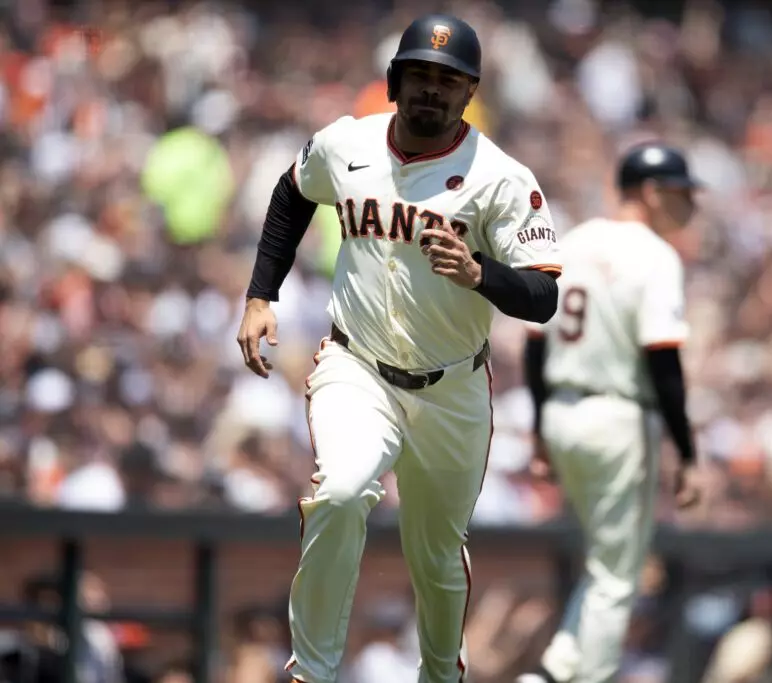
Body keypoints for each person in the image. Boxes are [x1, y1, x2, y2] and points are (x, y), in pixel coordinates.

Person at [234, 13, 562, 683]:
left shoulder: (499, 177)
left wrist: (480, 274)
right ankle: (315, 670)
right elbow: (293, 193)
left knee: (437, 559)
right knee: (344, 490)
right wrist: (261, 293)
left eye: (448, 81)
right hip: (357, 365)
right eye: (419, 76)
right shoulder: (346, 144)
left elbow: (543, 295)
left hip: (451, 388)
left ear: (469, 93)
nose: (431, 92)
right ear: (394, 81)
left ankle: (442, 674)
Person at [517, 143, 703, 683]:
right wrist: (688, 453)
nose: (690, 203)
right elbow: (663, 362)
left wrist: (538, 427)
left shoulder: (573, 241)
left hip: (561, 411)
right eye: (681, 192)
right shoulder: (656, 255)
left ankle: (551, 673)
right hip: (618, 419)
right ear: (650, 192)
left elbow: (534, 345)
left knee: (602, 568)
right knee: (616, 577)